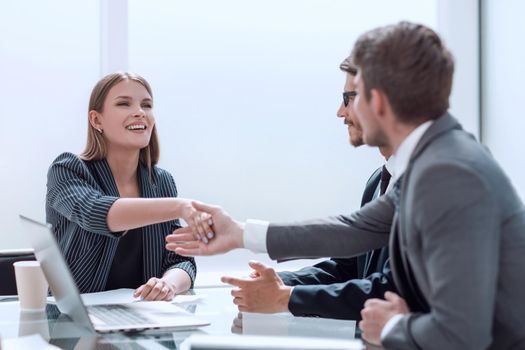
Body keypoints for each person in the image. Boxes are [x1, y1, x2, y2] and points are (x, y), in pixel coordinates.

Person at [167, 22, 525, 350]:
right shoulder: (435, 158)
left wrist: (390, 327)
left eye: (356, 94)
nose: (343, 111)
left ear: (378, 100)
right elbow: (356, 229)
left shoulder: (447, 172)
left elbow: (463, 336)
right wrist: (241, 234)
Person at [220, 57, 396, 321]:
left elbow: (388, 288)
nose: (341, 112)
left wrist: (283, 297)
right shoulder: (378, 180)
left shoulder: (431, 183)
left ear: (380, 101)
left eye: (349, 98)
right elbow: (351, 266)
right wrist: (280, 282)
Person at [46, 72, 213, 301]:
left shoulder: (161, 182)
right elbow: (95, 212)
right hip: (76, 320)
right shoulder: (68, 169)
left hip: (144, 317)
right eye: (124, 103)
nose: (140, 112)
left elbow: (181, 260)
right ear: (96, 120)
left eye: (147, 105)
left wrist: (168, 284)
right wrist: (181, 206)